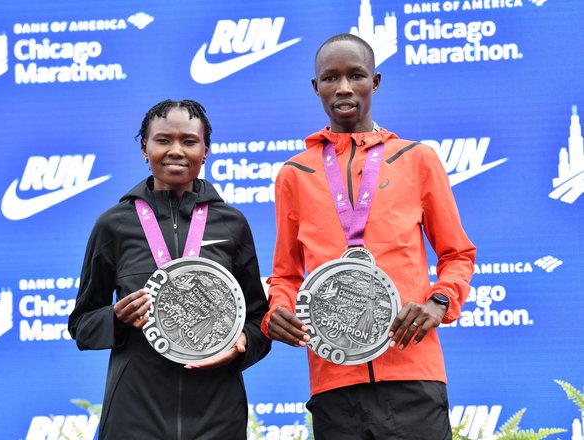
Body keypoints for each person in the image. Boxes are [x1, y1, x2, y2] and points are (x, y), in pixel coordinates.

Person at [262, 34, 476, 439]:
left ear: (374, 82)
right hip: (334, 380)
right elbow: (286, 274)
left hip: (413, 370)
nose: (343, 88)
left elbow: (457, 253)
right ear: (316, 87)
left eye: (355, 75)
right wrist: (277, 312)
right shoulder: (295, 173)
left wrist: (439, 301)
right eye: (330, 78)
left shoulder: (416, 159)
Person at [68, 99, 270, 439]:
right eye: (163, 140)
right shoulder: (114, 226)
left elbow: (258, 320)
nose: (176, 150)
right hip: (135, 413)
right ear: (144, 149)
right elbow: (81, 323)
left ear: (205, 151)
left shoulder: (231, 224)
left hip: (218, 411)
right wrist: (115, 319)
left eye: (189, 141)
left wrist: (243, 342)